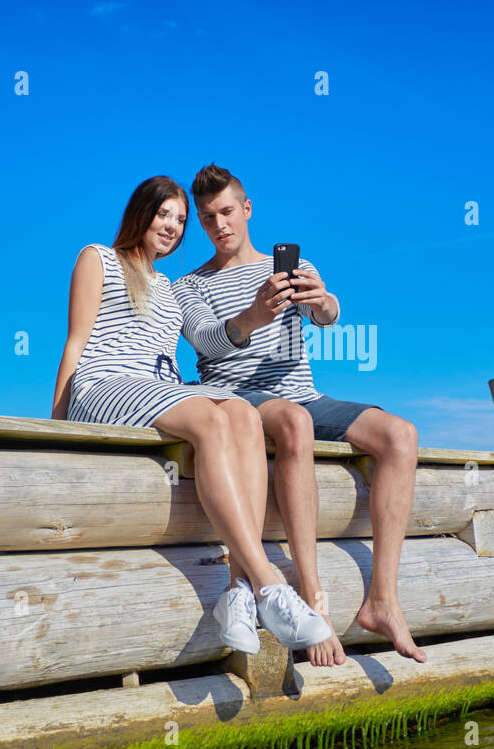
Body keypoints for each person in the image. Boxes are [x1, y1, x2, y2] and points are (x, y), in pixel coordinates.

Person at [51, 175, 331, 654]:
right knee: (208, 417)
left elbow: (204, 343)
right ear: (141, 212)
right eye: (165, 215)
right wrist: (56, 427)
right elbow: (75, 340)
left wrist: (295, 309)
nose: (173, 227)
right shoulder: (98, 257)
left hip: (156, 390)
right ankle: (267, 580)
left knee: (241, 411)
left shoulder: (168, 288)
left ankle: (238, 593)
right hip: (102, 385)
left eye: (181, 221)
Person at [171, 163, 427, 666]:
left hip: (304, 392)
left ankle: (384, 602)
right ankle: (312, 597)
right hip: (239, 397)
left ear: (246, 209)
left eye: (226, 212)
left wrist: (324, 300)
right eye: (206, 218)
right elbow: (204, 340)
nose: (218, 225)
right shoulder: (189, 285)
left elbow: (326, 317)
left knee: (401, 434)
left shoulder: (288, 266)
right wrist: (254, 315)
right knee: (294, 421)